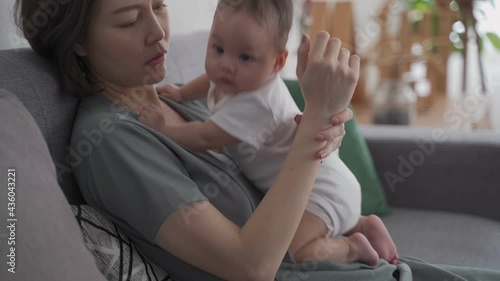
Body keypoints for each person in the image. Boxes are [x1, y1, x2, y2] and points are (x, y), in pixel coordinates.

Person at [14, 0, 500, 280]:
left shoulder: (171, 99)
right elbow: (252, 266)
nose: (159, 32)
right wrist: (314, 129)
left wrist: (318, 128)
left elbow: (266, 151)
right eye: (128, 20)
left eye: (159, 5)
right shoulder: (109, 141)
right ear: (77, 41)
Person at [138, 0, 396, 266]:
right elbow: (210, 80)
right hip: (327, 181)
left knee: (291, 253)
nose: (226, 65)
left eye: (245, 57)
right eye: (218, 49)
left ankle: (352, 247)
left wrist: (163, 129)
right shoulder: (236, 77)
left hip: (321, 193)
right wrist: (182, 93)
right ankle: (363, 225)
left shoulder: (256, 104)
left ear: (278, 62)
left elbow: (205, 137)